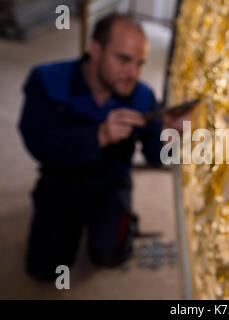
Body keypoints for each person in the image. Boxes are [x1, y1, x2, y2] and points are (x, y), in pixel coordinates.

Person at [18, 13, 166, 281]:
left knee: (109, 255)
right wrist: (98, 135)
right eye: (123, 59)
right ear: (95, 50)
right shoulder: (47, 80)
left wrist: (174, 134)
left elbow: (157, 154)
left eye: (140, 63)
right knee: (43, 271)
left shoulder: (143, 96)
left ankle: (120, 221)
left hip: (111, 184)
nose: (133, 73)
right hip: (61, 180)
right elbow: (37, 143)